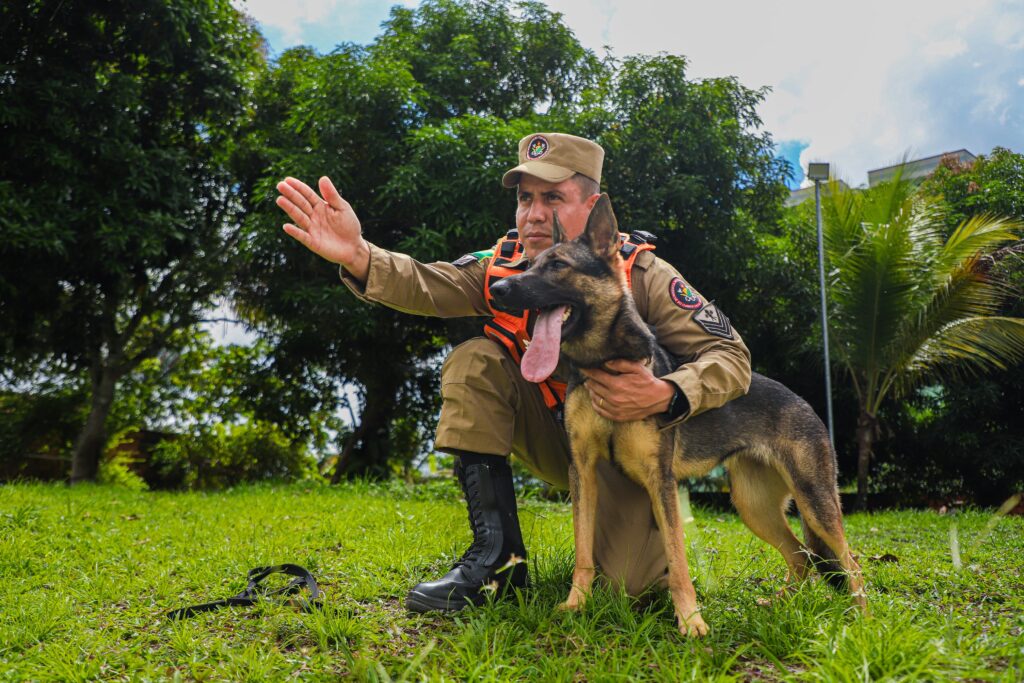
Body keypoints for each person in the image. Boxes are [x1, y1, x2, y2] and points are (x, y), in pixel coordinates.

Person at [276, 132, 751, 612]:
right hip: (553, 431)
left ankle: (646, 547)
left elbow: (730, 355)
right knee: (476, 359)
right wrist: (358, 254)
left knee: (629, 589)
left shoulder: (639, 273)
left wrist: (668, 392)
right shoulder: (503, 266)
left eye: (553, 198)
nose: (534, 214)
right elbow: (425, 283)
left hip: (629, 450)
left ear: (592, 208)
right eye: (526, 199)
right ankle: (497, 562)